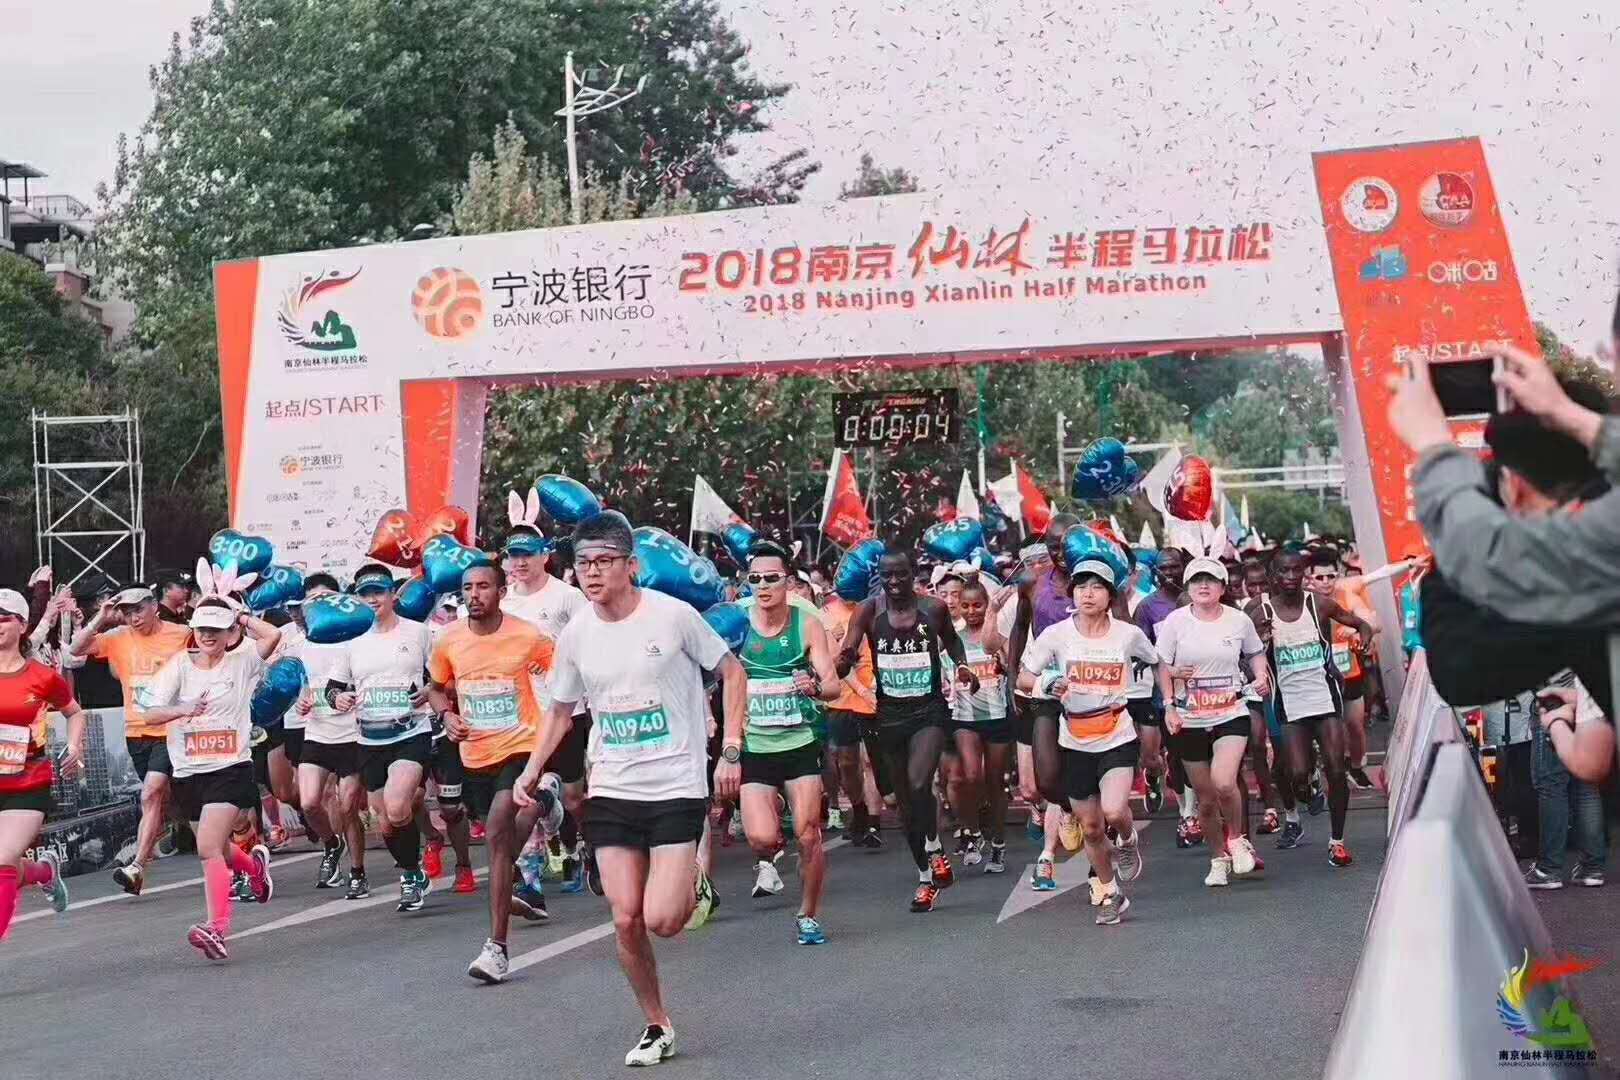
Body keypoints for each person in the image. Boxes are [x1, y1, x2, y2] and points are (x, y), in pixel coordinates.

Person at [513, 511, 746, 1066]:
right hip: (614, 786)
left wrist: (731, 748)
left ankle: (692, 882)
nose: (592, 573)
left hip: (676, 784)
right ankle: (657, 1024)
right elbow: (560, 709)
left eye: (604, 561)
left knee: (663, 920)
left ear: (631, 565)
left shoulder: (673, 616)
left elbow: (733, 672)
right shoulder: (577, 633)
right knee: (624, 917)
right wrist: (532, 767)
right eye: (583, 563)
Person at [1390, 341, 1620, 724]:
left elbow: (1460, 669)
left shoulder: (1586, 563)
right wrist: (1571, 415)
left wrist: (1436, 452)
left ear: (1515, 486)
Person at [427, 560, 563, 984]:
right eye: (468, 587)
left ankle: (496, 948)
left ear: (501, 592)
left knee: (498, 835)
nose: (474, 594)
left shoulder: (528, 636)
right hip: (474, 755)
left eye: (483, 586)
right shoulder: (448, 640)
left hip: (522, 746)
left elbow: (563, 679)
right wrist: (446, 715)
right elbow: (436, 687)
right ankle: (545, 802)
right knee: (502, 837)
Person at [836, 549, 978, 913]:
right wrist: (842, 659)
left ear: (912, 574)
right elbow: (850, 646)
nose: (894, 581)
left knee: (918, 784)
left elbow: (953, 641)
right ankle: (927, 874)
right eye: (887, 575)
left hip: (929, 712)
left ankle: (932, 852)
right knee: (903, 807)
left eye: (901, 574)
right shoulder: (868, 610)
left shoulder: (933, 609)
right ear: (879, 577)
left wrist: (962, 667)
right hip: (889, 716)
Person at [1019, 557, 1155, 924]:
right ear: (1072, 593)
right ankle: (1111, 894)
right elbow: (1023, 678)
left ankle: (1127, 840)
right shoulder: (1056, 635)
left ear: (1110, 595)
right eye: (1081, 587)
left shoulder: (1127, 634)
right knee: (1092, 828)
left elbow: (1155, 660)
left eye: (1096, 587)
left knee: (1114, 811)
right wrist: (1048, 683)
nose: (1088, 594)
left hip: (1116, 734)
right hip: (1075, 740)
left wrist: (1170, 697)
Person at [143, 599, 280, 960]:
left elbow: (272, 635)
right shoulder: (179, 666)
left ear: (229, 633)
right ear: (194, 630)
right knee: (219, 847)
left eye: (216, 629)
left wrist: (241, 614)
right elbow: (150, 714)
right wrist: (182, 709)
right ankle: (255, 868)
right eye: (203, 628)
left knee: (207, 848)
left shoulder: (243, 661)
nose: (208, 636)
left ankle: (216, 929)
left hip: (230, 768)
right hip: (188, 772)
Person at [733, 540, 840, 944]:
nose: (762, 586)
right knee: (761, 838)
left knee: (809, 834)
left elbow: (832, 686)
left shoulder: (806, 623)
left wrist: (813, 686)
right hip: (756, 747)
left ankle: (807, 914)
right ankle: (773, 805)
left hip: (799, 742)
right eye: (755, 578)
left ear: (788, 581)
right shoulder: (736, 621)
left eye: (771, 578)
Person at [1246, 548, 1373, 869]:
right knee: (1298, 776)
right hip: (1290, 705)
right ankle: (1308, 784)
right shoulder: (1260, 612)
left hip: (1325, 700)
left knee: (1337, 769)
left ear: (1303, 573)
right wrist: (1260, 648)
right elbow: (1241, 653)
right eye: (1284, 571)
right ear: (1273, 576)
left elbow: (1361, 625)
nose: (1291, 577)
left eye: (1296, 571)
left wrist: (1363, 640)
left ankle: (1337, 842)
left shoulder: (1318, 604)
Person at [327, 564, 436, 912]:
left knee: (398, 805)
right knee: (386, 821)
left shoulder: (418, 632)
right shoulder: (351, 641)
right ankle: (412, 871)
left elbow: (442, 676)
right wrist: (339, 699)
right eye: (365, 594)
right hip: (370, 739)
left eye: (378, 592)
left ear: (393, 595)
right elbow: (333, 688)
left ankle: (409, 879)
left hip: (411, 731)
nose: (372, 599)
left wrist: (429, 691)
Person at [68, 585, 190, 896]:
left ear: (154, 606)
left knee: (150, 793)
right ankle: (187, 833)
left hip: (171, 730)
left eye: (138, 609)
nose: (133, 617)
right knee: (163, 799)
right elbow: (74, 650)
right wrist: (100, 618)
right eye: (126, 612)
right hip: (135, 732)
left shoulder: (180, 634)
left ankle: (136, 865)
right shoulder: (117, 637)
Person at [1156, 557, 1271, 887]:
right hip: (1190, 716)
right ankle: (1218, 859)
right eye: (1196, 580)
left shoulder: (1238, 620)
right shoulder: (1176, 622)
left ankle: (1236, 838)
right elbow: (1161, 665)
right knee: (1206, 800)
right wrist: (1169, 705)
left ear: (1222, 587)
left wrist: (1260, 676)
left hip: (1231, 711)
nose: (1203, 586)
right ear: (1188, 587)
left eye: (1210, 580)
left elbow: (1255, 652)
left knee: (1224, 782)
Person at [498, 521, 591, 900]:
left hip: (567, 709)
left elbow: (591, 642)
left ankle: (575, 847)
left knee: (572, 797)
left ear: (544, 555)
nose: (519, 562)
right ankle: (531, 872)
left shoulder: (568, 597)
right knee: (530, 790)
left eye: (527, 554)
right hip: (521, 715)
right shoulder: (504, 602)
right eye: (513, 556)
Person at [0, 588, 82, 939]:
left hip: (26, 780)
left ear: (22, 625)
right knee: (5, 861)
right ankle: (44, 872)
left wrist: (74, 745)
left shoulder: (42, 676)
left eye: (3, 618)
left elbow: (74, 712)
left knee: (2, 860)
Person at [293, 575, 369, 898]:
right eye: (314, 600)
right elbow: (300, 687)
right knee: (309, 803)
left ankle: (358, 872)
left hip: (353, 734)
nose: (321, 604)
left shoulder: (358, 639)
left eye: (326, 597)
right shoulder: (303, 644)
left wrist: (353, 697)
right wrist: (301, 701)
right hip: (317, 732)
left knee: (348, 806)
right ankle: (331, 843)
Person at [951, 577, 1013, 873]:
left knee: (995, 782)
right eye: (965, 605)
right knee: (971, 776)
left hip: (997, 716)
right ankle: (973, 833)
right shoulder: (952, 638)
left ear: (987, 605)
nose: (971, 611)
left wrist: (1004, 661)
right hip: (964, 719)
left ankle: (998, 844)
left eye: (978, 605)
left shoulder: (997, 635)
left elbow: (1012, 667)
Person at [1304, 549, 1378, 790]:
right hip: (1317, 678)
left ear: (1338, 575)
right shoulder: (1303, 602)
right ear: (1310, 578)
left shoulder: (1347, 596)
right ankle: (1323, 772)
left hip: (1349, 673)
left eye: (1331, 576)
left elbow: (1373, 622)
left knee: (1355, 725)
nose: (1326, 582)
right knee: (1324, 730)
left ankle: (1356, 766)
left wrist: (1356, 629)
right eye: (1320, 577)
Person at [820, 580, 884, 849]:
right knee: (847, 762)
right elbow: (834, 660)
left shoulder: (878, 606)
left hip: (876, 698)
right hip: (842, 700)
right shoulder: (826, 613)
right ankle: (859, 809)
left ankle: (874, 822)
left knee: (870, 762)